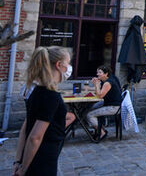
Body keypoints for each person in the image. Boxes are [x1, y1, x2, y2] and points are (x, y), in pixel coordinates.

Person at [14, 46, 72, 176]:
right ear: (59, 65)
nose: (69, 68)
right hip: (43, 158)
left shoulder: (36, 91)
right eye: (67, 64)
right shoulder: (51, 96)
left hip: (30, 157)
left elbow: (25, 128)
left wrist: (18, 161)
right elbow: (35, 137)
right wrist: (23, 169)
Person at [85, 65, 122, 141]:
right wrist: (92, 87)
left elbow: (100, 96)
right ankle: (99, 128)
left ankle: (102, 132)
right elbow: (99, 91)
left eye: (100, 72)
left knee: (89, 115)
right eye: (97, 72)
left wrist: (96, 85)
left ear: (106, 74)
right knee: (89, 108)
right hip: (108, 103)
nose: (97, 74)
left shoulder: (108, 83)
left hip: (114, 107)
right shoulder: (107, 80)